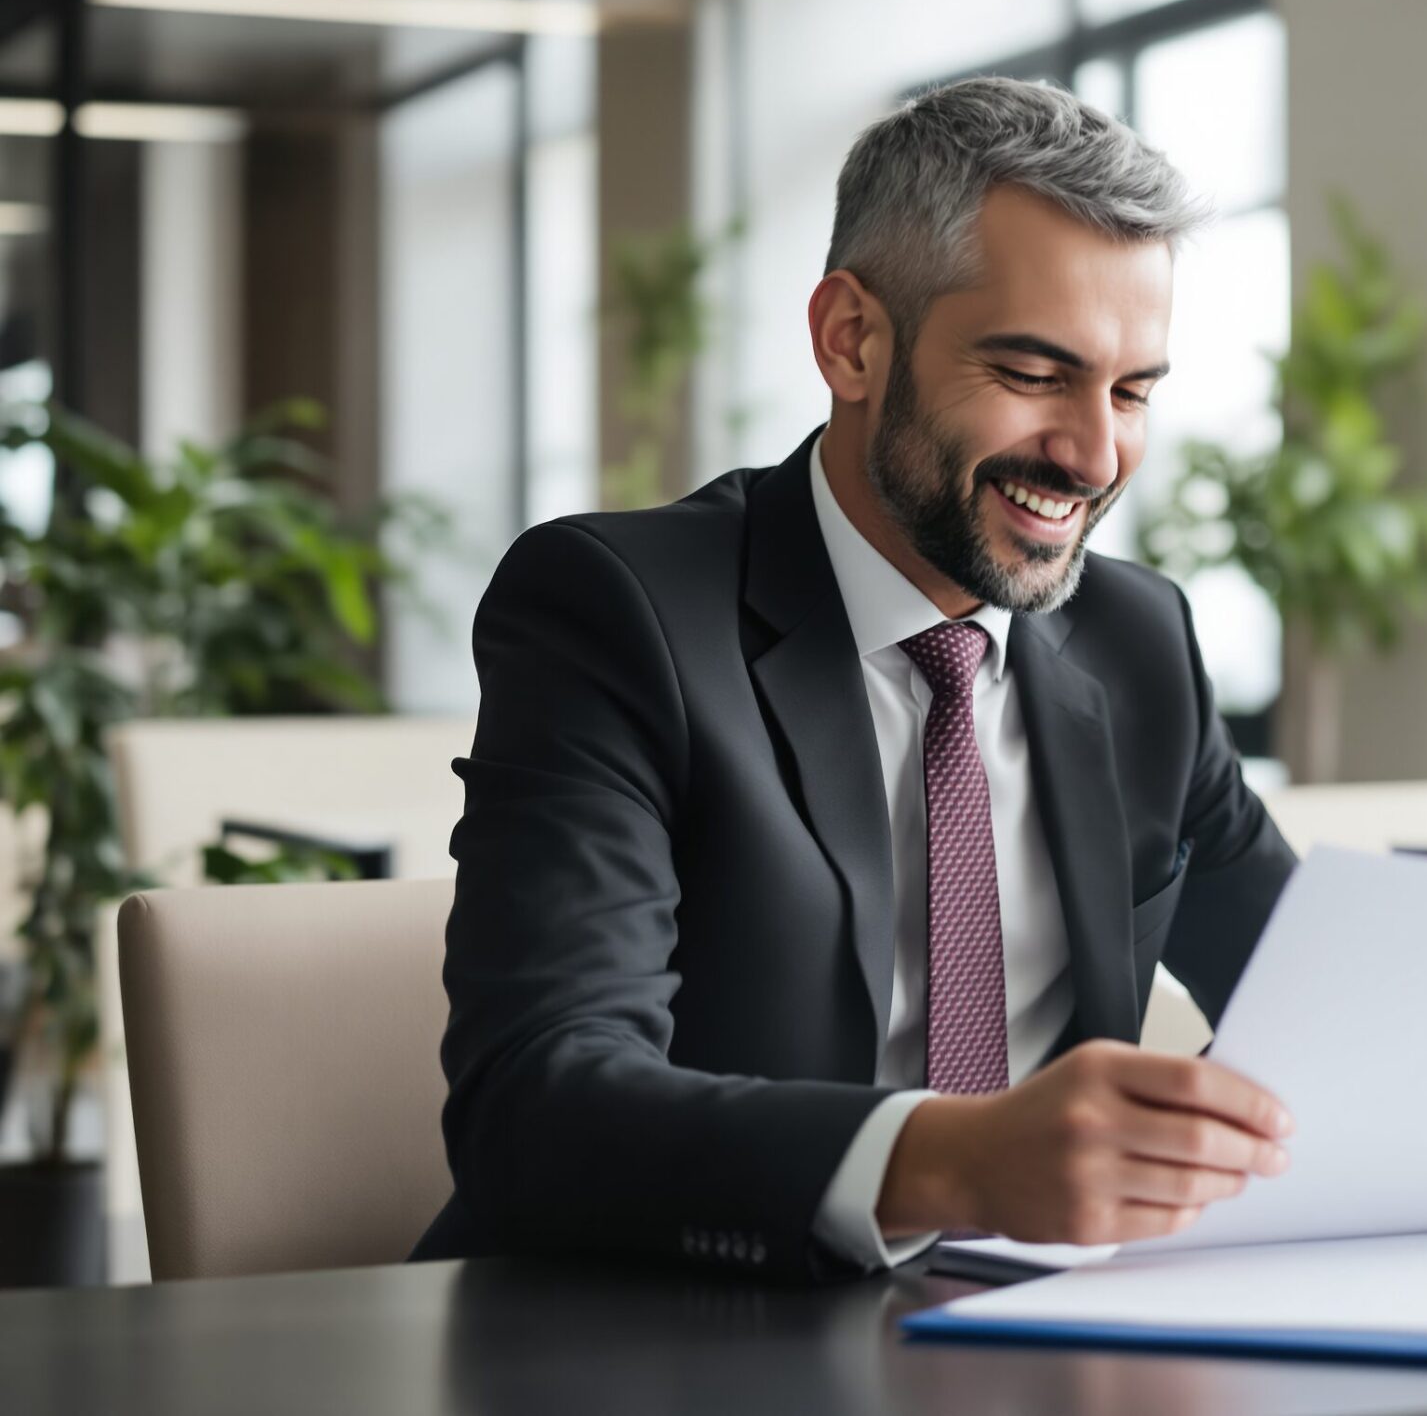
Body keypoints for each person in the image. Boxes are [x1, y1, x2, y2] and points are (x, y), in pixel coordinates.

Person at [412, 77, 1298, 1281]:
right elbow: (539, 1105)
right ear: (852, 340)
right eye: (1036, 373)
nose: (1095, 455)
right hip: (675, 1336)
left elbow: (1318, 998)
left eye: (1132, 391)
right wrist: (955, 1159)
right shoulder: (616, 611)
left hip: (1037, 1338)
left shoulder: (1138, 642)